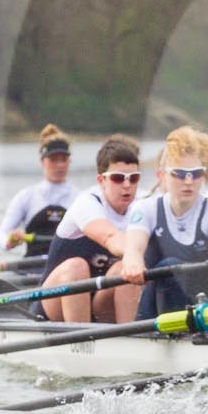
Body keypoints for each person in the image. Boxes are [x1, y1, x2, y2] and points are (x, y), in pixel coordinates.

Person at [124, 127, 208, 319]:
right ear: (162, 176)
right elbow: (133, 248)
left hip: (204, 308)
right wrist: (133, 264)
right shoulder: (146, 209)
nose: (188, 181)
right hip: (157, 313)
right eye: (179, 174)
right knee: (168, 267)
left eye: (195, 173)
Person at [39, 136, 148, 324]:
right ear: (101, 180)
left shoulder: (144, 203)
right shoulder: (87, 202)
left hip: (99, 302)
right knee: (77, 267)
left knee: (123, 269)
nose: (127, 185)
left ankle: (131, 339)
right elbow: (110, 237)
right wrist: (135, 255)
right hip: (56, 301)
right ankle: (79, 342)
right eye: (118, 178)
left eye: (134, 178)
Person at [0, 125, 80, 256]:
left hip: (69, 267)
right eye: (53, 159)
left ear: (69, 161)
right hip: (32, 267)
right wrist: (10, 241)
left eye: (63, 159)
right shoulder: (26, 196)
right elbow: (1, 234)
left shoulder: (80, 198)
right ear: (42, 162)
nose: (59, 165)